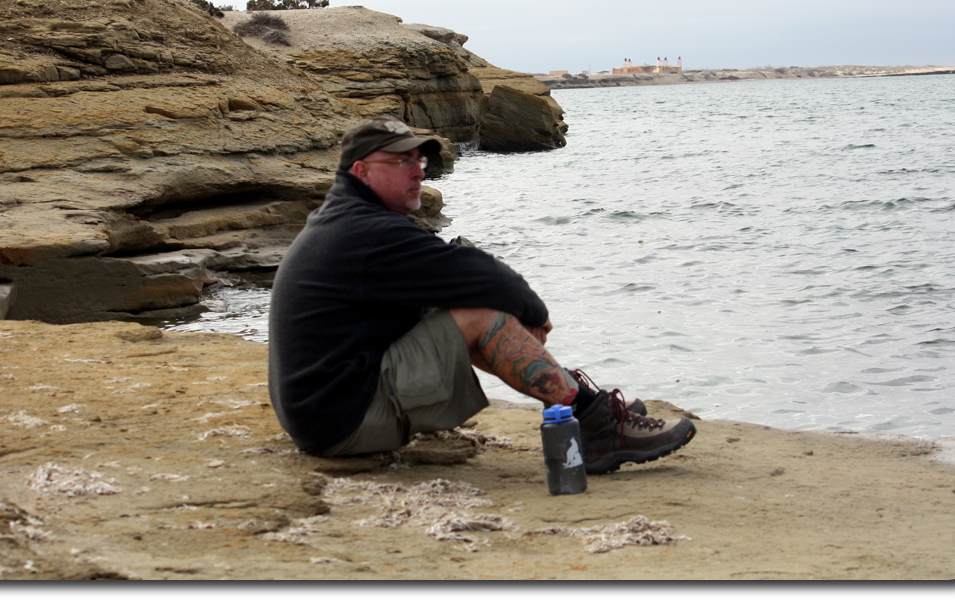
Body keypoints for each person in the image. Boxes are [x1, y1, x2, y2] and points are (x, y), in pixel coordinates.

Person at [268, 116, 695, 473]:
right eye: (401, 161)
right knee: (478, 317)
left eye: (419, 158)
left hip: (325, 412)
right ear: (361, 171)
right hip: (342, 421)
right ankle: (598, 425)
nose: (419, 170)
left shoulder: (346, 220)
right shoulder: (365, 232)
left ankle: (584, 410)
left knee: (458, 308)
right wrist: (534, 312)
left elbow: (459, 278)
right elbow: (480, 275)